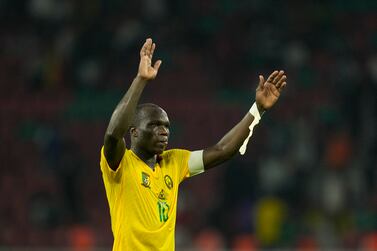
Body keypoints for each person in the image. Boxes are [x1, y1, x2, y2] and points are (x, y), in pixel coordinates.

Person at [100, 38, 287, 250]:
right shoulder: (120, 163)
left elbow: (223, 150)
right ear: (133, 132)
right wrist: (140, 80)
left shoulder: (174, 161)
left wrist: (258, 109)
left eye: (167, 126)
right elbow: (113, 134)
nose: (163, 131)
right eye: (154, 125)